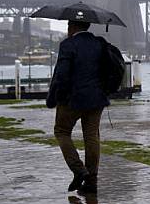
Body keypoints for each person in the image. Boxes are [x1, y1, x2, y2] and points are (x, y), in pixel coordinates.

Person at [46, 19, 109, 194]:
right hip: (96, 99)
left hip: (72, 100)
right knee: (91, 136)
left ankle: (79, 169)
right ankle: (91, 183)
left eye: (68, 26)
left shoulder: (68, 45)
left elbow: (61, 75)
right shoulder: (99, 44)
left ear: (72, 27)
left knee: (62, 131)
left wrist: (56, 98)